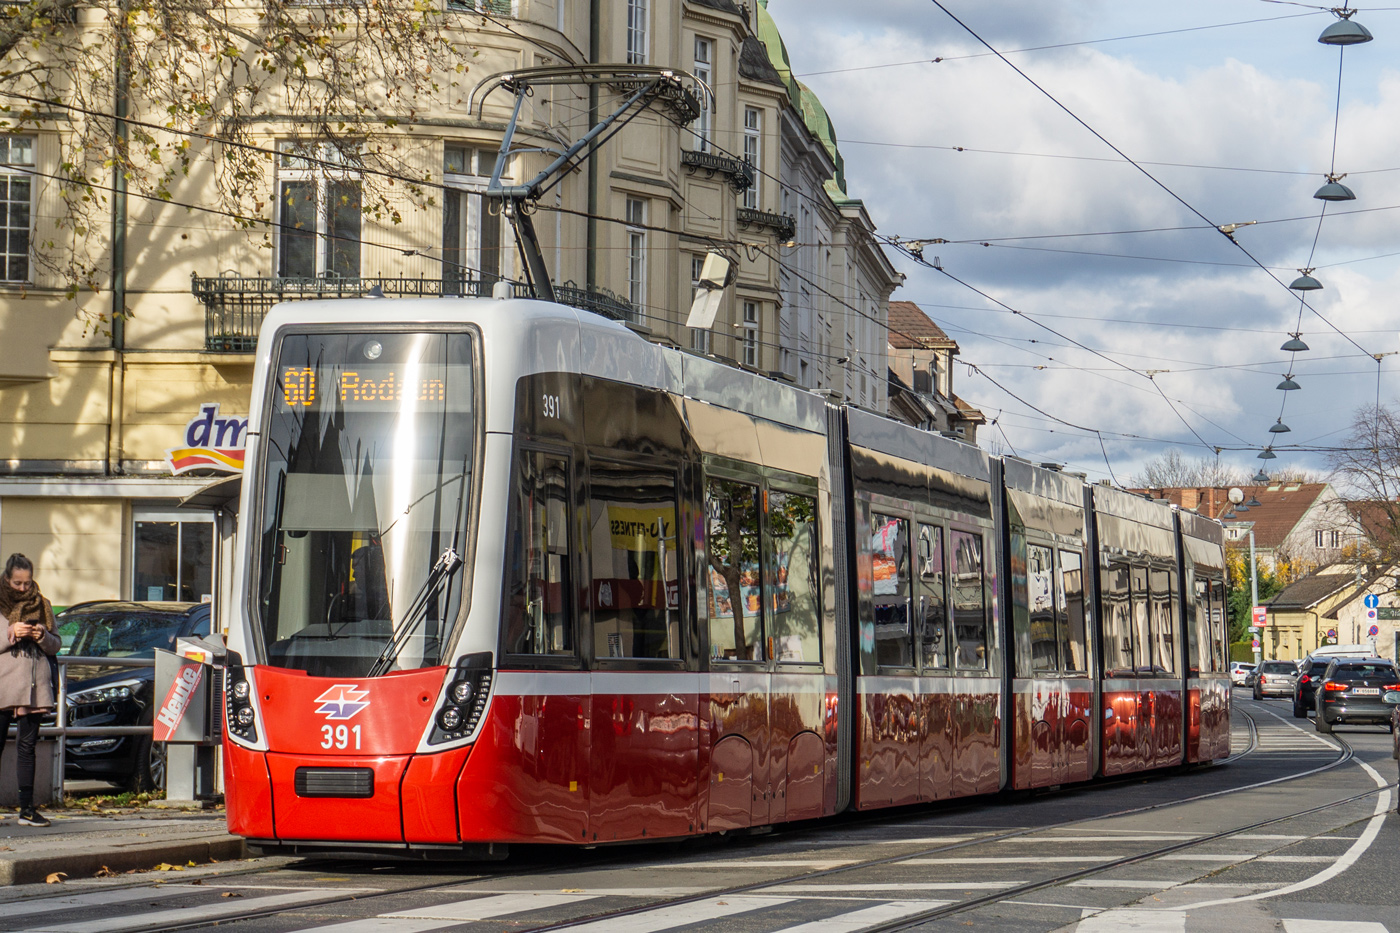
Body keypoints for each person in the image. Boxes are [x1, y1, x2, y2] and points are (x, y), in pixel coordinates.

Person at [0, 554, 58, 827]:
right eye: (16, 583)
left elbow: (56, 645)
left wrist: (42, 636)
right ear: (7, 578)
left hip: (34, 687)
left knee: (27, 748)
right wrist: (10, 632)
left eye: (26, 583)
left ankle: (27, 809)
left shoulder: (43, 604)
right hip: (3, 685)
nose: (22, 589)